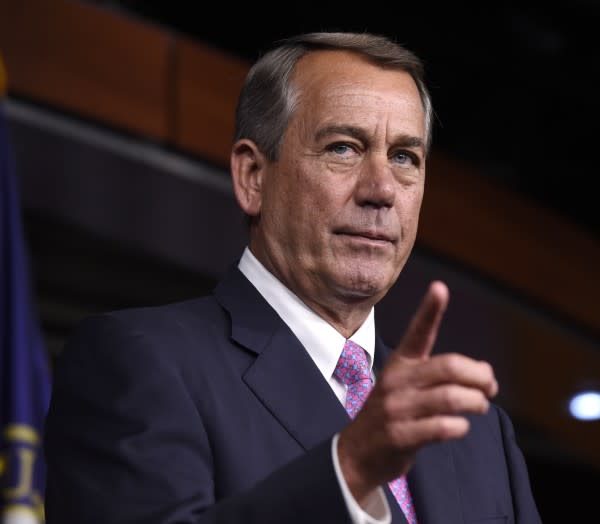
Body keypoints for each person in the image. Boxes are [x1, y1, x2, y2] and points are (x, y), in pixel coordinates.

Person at [44, 32, 542, 523]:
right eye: (344, 148)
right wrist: (348, 470)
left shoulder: (477, 432)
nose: (382, 190)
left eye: (404, 158)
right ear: (253, 177)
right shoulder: (140, 361)